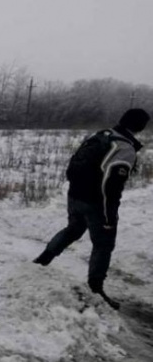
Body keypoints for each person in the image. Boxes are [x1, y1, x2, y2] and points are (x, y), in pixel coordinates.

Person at [34, 108, 150, 309]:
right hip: (97, 202)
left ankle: (43, 260)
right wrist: (107, 215)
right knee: (103, 244)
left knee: (73, 230)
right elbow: (111, 186)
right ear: (140, 126)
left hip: (75, 195)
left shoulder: (101, 135)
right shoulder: (124, 148)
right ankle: (96, 289)